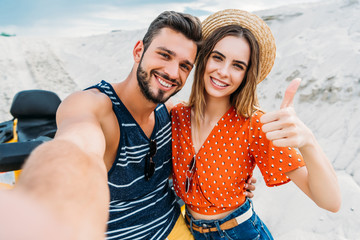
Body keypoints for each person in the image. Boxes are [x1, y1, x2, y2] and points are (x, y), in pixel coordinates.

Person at [0, 10, 256, 240]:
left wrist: (229, 180)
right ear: (138, 51)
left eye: (184, 66)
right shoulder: (93, 106)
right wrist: (46, 206)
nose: (171, 72)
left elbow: (192, 160)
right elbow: (79, 149)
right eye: (164, 55)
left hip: (174, 227)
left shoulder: (172, 115)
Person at [171, 9, 341, 240]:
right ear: (204, 57)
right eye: (218, 57)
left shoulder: (256, 125)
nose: (223, 72)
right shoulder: (177, 116)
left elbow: (330, 201)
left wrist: (307, 141)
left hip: (240, 233)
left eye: (238, 66)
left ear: (246, 75)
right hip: (188, 231)